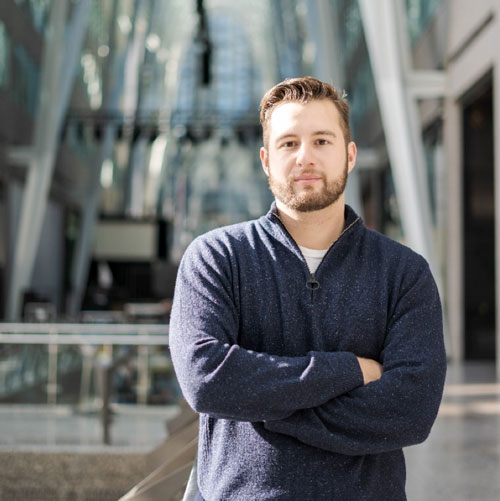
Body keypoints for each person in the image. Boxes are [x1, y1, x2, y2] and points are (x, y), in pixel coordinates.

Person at [169, 76, 447, 500]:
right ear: (265, 160)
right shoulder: (216, 258)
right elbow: (206, 380)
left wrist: (260, 406)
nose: (305, 157)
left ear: (349, 154)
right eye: (288, 143)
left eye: (322, 141)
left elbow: (411, 411)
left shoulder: (404, 273)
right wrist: (349, 370)